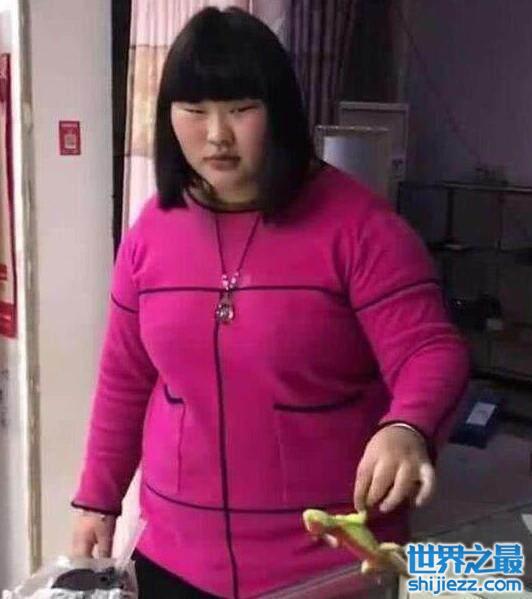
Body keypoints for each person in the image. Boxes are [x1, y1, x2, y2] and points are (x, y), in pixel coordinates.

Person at [70, 6, 470, 599]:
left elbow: (431, 351)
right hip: (174, 553)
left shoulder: (361, 229)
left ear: (280, 111)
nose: (216, 135)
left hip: (325, 563)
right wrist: (97, 500)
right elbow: (125, 378)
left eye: (240, 109)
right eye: (194, 110)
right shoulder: (150, 233)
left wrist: (408, 425)